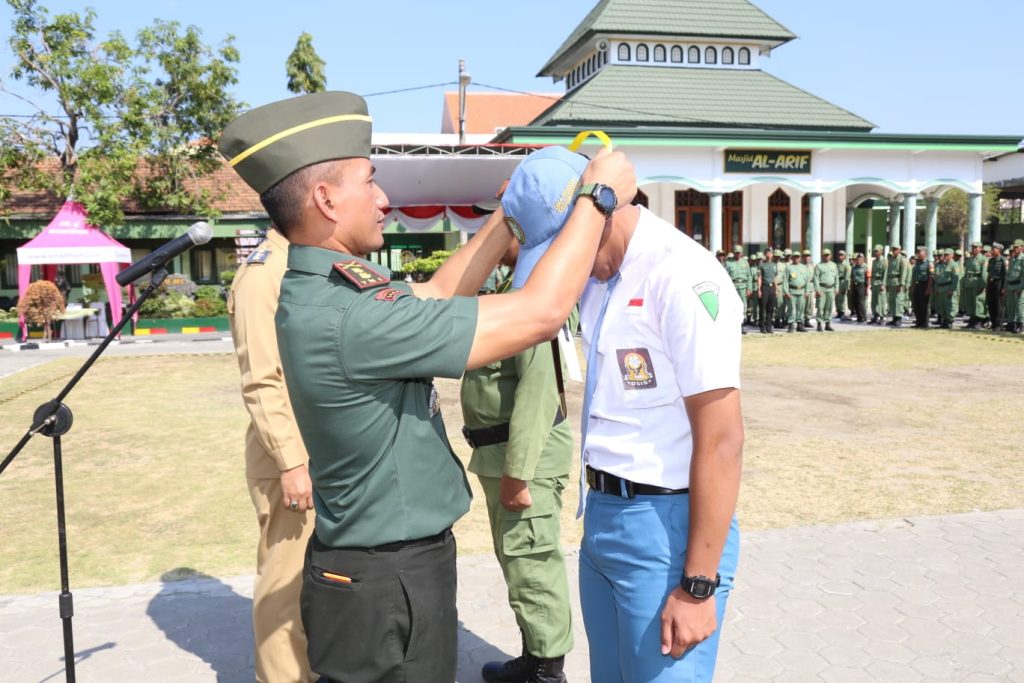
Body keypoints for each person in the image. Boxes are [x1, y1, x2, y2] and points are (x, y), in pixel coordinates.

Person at [218, 92, 636, 683]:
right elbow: (540, 313)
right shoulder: (352, 317)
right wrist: (599, 197)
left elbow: (440, 292)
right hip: (387, 583)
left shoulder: (331, 292)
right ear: (326, 199)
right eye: (370, 182)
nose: (385, 198)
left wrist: (509, 216)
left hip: (377, 570)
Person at [501, 150, 743, 682]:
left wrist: (698, 586)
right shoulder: (597, 277)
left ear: (599, 213)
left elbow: (723, 439)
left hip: (667, 529)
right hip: (604, 519)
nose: (558, 267)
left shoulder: (681, 275)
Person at [460, 219, 576, 683]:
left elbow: (539, 390)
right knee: (518, 561)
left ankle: (547, 672)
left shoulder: (534, 291)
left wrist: (519, 472)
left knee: (532, 562)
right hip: (501, 452)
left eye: (503, 228)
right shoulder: (517, 287)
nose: (490, 240)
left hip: (521, 455)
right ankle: (535, 656)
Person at [227, 226, 317, 683]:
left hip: (314, 450)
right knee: (286, 585)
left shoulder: (302, 259)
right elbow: (261, 379)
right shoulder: (265, 272)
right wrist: (291, 462)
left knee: (312, 583)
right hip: (289, 458)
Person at [724, 245, 750, 335]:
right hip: (733, 287)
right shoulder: (728, 263)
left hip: (743, 286)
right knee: (732, 306)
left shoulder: (745, 263)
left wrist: (749, 288)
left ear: (741, 253)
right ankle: (733, 325)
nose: (737, 254)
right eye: (736, 253)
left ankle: (742, 325)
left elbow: (749, 276)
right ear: (733, 252)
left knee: (743, 306)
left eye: (739, 253)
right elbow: (725, 276)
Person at [962, 241, 988, 329]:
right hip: (969, 283)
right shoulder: (970, 259)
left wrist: (983, 285)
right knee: (970, 303)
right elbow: (966, 272)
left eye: (976, 247)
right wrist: (964, 284)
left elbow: (984, 274)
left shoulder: (983, 259)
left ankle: (979, 321)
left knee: (979, 302)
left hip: (977, 283)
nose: (974, 249)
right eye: (973, 247)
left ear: (980, 248)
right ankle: (972, 320)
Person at [886, 244, 911, 327]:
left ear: (899, 250)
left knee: (898, 301)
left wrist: (901, 284)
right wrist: (887, 283)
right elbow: (888, 271)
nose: (894, 251)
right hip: (891, 281)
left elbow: (903, 272)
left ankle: (899, 318)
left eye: (896, 249)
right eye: (893, 249)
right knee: (892, 301)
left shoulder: (902, 259)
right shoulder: (892, 259)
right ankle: (894, 318)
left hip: (898, 282)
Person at [934, 249, 960, 329]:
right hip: (942, 288)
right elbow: (938, 277)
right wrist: (937, 288)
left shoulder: (954, 264)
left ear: (952, 255)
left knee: (950, 305)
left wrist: (952, 289)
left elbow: (955, 278)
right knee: (943, 306)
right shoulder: (944, 264)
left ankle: (949, 322)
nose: (945, 256)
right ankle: (944, 322)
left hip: (949, 288)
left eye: (947, 255)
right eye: (945, 255)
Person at [813, 248, 838, 332]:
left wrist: (836, 287)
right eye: (825, 255)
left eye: (828, 255)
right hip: (822, 288)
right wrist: (817, 290)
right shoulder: (819, 266)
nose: (826, 256)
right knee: (820, 307)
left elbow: (836, 277)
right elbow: (816, 279)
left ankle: (827, 324)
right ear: (822, 256)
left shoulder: (834, 265)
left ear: (830, 255)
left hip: (831, 289)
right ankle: (819, 324)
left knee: (829, 307)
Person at [784, 250, 810, 332]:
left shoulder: (804, 268)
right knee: (791, 308)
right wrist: (786, 292)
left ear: (800, 258)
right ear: (792, 258)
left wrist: (807, 291)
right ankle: (791, 324)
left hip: (802, 291)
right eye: (794, 257)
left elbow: (807, 281)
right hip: (792, 290)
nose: (796, 258)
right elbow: (785, 281)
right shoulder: (789, 268)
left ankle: (800, 324)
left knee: (801, 308)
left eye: (798, 257)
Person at [910, 246, 933, 328]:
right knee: (917, 305)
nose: (918, 254)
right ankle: (918, 322)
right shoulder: (917, 263)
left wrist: (929, 288)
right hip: (917, 285)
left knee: (924, 305)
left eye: (920, 252)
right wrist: (912, 287)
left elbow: (931, 277)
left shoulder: (929, 264)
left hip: (925, 285)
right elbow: (914, 276)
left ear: (925, 253)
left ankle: (924, 323)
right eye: (918, 252)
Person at [987, 242, 1007, 331]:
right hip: (991, 283)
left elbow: (1006, 275)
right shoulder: (991, 260)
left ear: (999, 250)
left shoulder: (1003, 260)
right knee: (991, 303)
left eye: (994, 248)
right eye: (992, 248)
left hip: (999, 283)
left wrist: (1004, 287)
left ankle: (999, 324)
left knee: (999, 304)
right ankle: (993, 323)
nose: (992, 250)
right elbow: (989, 273)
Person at [1006, 239, 1024, 333]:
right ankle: (1011, 324)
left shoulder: (1023, 259)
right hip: (1010, 286)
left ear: (1022, 248)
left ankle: (1021, 325)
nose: (1015, 249)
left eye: (1017, 247)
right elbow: (1008, 274)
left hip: (1018, 286)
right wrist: (1006, 287)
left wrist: (1021, 288)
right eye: (1014, 247)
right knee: (1011, 306)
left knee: (1020, 306)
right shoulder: (1012, 259)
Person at [869, 245, 888, 325]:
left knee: (881, 301)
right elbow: (872, 273)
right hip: (874, 282)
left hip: (880, 282)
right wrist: (871, 283)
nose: (875, 252)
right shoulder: (874, 261)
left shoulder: (884, 261)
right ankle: (875, 316)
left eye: (877, 251)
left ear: (881, 251)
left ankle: (882, 317)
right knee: (874, 301)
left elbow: (885, 273)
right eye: (875, 251)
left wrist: (883, 284)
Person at [850, 253, 868, 323]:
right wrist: (851, 287)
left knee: (861, 302)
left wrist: (867, 288)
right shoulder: (854, 267)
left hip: (861, 285)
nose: (858, 261)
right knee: (855, 302)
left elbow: (867, 278)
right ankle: (859, 317)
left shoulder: (865, 267)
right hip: (855, 285)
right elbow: (852, 277)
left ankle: (864, 317)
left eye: (860, 260)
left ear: (863, 260)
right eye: (857, 260)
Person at [836, 250, 851, 320]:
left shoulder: (846, 265)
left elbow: (847, 277)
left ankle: (842, 312)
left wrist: (846, 287)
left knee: (842, 298)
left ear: (844, 256)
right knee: (837, 298)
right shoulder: (837, 264)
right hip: (837, 282)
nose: (840, 256)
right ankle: (838, 311)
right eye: (839, 255)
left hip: (843, 281)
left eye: (842, 255)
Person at [801, 249, 814, 327]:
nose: (806, 258)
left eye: (808, 256)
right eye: (805, 256)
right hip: (802, 289)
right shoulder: (800, 266)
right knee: (802, 306)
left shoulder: (812, 266)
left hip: (810, 289)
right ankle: (801, 321)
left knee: (809, 306)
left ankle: (807, 320)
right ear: (802, 257)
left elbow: (815, 278)